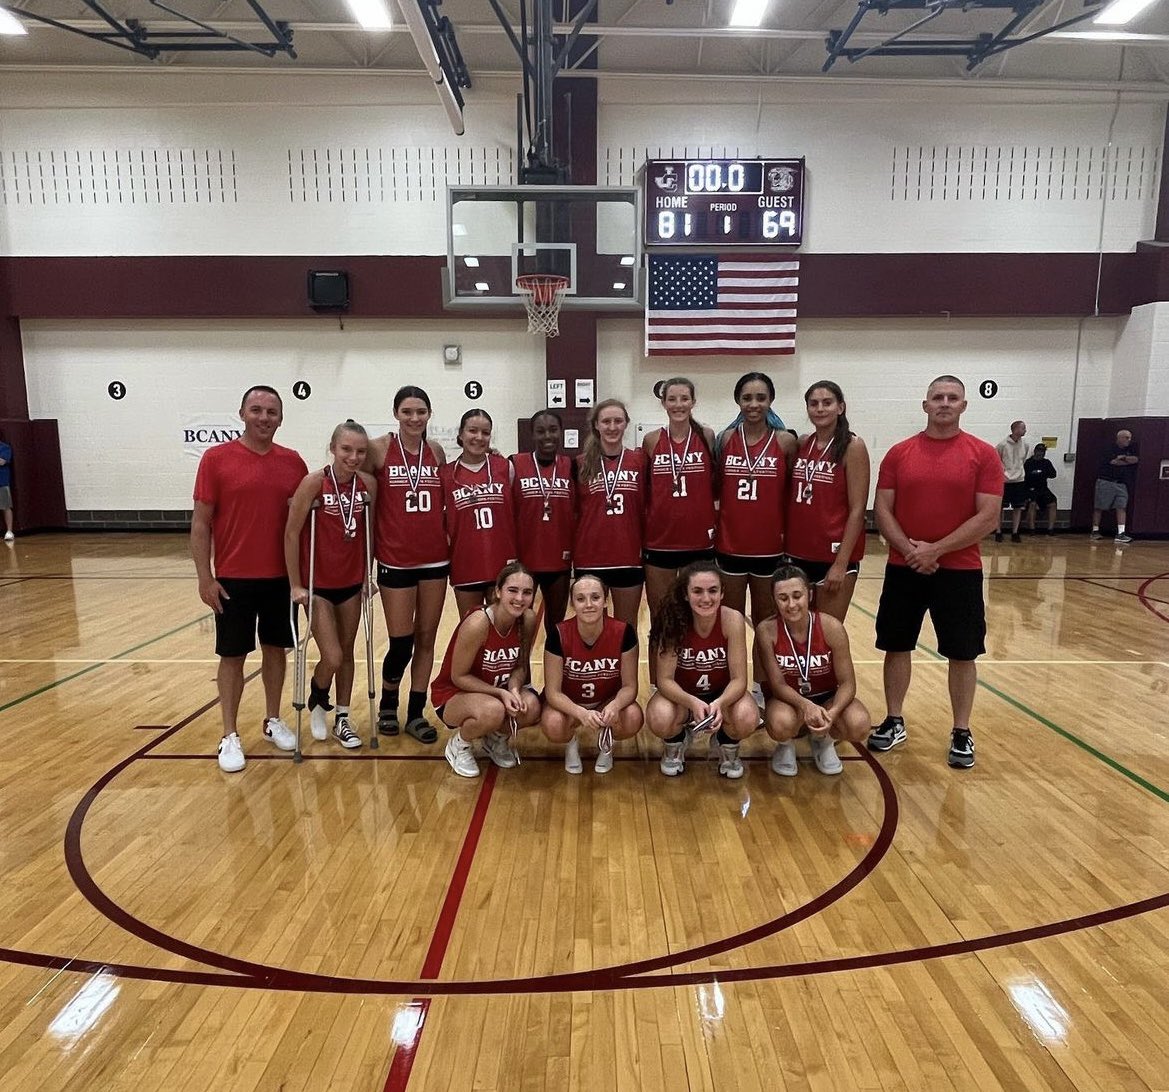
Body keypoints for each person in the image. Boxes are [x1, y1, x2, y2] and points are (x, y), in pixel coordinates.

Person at [868, 375, 1002, 769]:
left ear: (963, 405)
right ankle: (894, 720)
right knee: (897, 644)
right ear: (925, 405)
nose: (944, 403)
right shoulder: (899, 453)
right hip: (903, 565)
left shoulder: (983, 454)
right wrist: (912, 551)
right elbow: (883, 510)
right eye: (937, 397)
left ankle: (962, 730)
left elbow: (989, 516)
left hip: (958, 569)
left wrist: (937, 549)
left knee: (962, 652)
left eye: (952, 398)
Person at [191, 385, 309, 773]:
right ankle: (229, 734)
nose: (264, 418)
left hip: (280, 579)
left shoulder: (293, 463)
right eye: (256, 410)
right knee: (232, 656)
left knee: (277, 651)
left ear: (281, 418)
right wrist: (205, 578)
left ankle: (273, 720)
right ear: (241, 413)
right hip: (233, 580)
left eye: (271, 412)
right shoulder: (216, 459)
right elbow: (201, 523)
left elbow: (302, 525)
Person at [284, 422, 377, 749]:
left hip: (351, 583)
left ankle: (342, 717)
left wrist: (368, 575)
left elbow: (370, 534)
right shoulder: (313, 483)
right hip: (318, 586)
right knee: (333, 656)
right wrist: (296, 585)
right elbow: (292, 533)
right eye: (346, 450)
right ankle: (318, 696)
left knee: (349, 653)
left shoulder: (367, 485)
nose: (353, 457)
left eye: (360, 451)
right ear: (333, 448)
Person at [366, 386, 448, 744]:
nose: (414, 418)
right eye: (407, 411)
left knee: (427, 638)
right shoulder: (379, 449)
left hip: (435, 559)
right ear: (396, 413)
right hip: (395, 560)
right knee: (401, 642)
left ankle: (415, 712)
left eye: (421, 412)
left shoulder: (438, 452)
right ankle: (388, 703)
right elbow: (361, 494)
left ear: (429, 414)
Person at [645, 563, 758, 779]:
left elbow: (739, 680)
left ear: (722, 592)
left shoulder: (732, 619)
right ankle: (676, 742)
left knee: (747, 716)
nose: (706, 598)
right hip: (683, 697)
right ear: (686, 594)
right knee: (659, 716)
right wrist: (692, 703)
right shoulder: (673, 621)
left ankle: (726, 744)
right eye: (697, 591)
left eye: (713, 590)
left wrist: (719, 704)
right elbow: (665, 680)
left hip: (721, 695)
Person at [755, 566, 870, 776]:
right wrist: (806, 706)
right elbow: (777, 685)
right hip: (788, 700)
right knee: (781, 723)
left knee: (859, 724)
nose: (791, 604)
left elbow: (847, 683)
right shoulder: (766, 630)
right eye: (783, 598)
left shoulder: (831, 627)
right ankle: (785, 745)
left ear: (809, 594)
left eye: (797, 596)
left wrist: (833, 713)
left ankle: (824, 742)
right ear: (774, 600)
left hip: (827, 698)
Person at [431, 562, 542, 778]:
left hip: (494, 692)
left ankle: (495, 739)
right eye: (513, 590)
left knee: (531, 706)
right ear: (498, 592)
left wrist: (514, 689)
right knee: (493, 710)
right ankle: (459, 745)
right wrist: (501, 693)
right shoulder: (479, 622)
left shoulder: (527, 619)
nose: (520, 598)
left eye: (527, 592)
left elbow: (520, 665)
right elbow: (458, 676)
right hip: (453, 694)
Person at [714, 372, 796, 625]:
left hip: (770, 547)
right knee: (731, 620)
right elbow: (717, 487)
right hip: (730, 545)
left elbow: (792, 491)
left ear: (771, 400)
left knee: (767, 623)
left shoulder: (785, 441)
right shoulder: (726, 438)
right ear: (738, 400)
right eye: (747, 398)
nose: (754, 404)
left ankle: (764, 667)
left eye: (761, 398)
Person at [784, 380, 870, 622]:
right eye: (814, 404)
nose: (820, 409)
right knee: (798, 632)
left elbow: (857, 510)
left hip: (832, 557)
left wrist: (841, 563)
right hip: (798, 554)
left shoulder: (853, 446)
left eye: (827, 403)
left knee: (826, 634)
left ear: (840, 407)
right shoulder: (803, 443)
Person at [541, 574, 642, 775]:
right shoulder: (558, 634)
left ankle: (607, 741)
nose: (588, 604)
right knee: (553, 724)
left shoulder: (624, 632)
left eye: (595, 597)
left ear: (606, 601)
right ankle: (571, 742)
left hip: (606, 699)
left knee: (632, 717)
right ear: (572, 604)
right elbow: (552, 692)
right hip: (571, 702)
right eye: (580, 599)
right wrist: (580, 713)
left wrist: (615, 706)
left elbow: (630, 686)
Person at [641, 378, 718, 623]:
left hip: (698, 541)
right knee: (661, 616)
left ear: (693, 402)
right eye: (672, 399)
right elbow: (647, 489)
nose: (678, 404)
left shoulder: (706, 436)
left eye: (684, 398)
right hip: (660, 541)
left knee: (696, 616)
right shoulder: (652, 440)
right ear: (663, 403)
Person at [573, 399, 648, 628]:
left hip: (628, 558)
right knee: (590, 628)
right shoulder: (580, 464)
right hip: (590, 558)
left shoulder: (640, 460)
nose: (612, 427)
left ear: (626, 424)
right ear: (596, 425)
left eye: (618, 421)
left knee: (627, 629)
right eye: (606, 421)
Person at [441, 408, 518, 618]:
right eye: (472, 431)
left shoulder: (505, 467)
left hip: (503, 565)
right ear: (461, 434)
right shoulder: (446, 474)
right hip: (465, 564)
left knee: (503, 634)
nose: (478, 437)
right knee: (471, 631)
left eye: (485, 432)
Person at [512, 409, 575, 636]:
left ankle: (554, 671)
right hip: (524, 560)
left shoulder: (572, 466)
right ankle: (520, 671)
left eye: (553, 430)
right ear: (532, 434)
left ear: (561, 432)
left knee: (555, 625)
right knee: (520, 626)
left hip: (559, 560)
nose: (547, 436)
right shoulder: (515, 464)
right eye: (540, 431)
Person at [1092, 428, 1139, 544]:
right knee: (1100, 506)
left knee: (1121, 507)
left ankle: (1121, 533)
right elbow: (1113, 462)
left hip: (1121, 483)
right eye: (1126, 438)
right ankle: (1095, 530)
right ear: (1119, 438)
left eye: (1130, 438)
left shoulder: (1130, 449)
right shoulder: (1109, 449)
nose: (1129, 440)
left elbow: (1135, 459)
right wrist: (1125, 461)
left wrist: (1123, 458)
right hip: (1106, 481)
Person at [994, 420, 1029, 543]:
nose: (1025, 431)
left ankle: (1015, 532)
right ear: (1015, 429)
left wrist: (1019, 473)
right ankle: (998, 531)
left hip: (1019, 480)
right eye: (1023, 428)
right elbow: (996, 461)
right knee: (1000, 508)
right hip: (1004, 481)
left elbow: (1022, 460)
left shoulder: (1025, 445)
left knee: (1018, 507)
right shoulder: (1002, 445)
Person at [1023, 442, 1058, 534]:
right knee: (1033, 504)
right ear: (1035, 451)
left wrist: (1045, 472)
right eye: (1039, 451)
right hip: (1030, 489)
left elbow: (1053, 474)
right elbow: (1024, 478)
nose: (1040, 453)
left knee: (1052, 503)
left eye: (1042, 452)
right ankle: (1032, 529)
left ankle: (1051, 529)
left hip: (1043, 489)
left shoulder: (1046, 463)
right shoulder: (1028, 463)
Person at [0, 434, 13, 541]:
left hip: (2, 482)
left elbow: (2, 461)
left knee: (5, 506)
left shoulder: (4, 447)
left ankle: (9, 531)